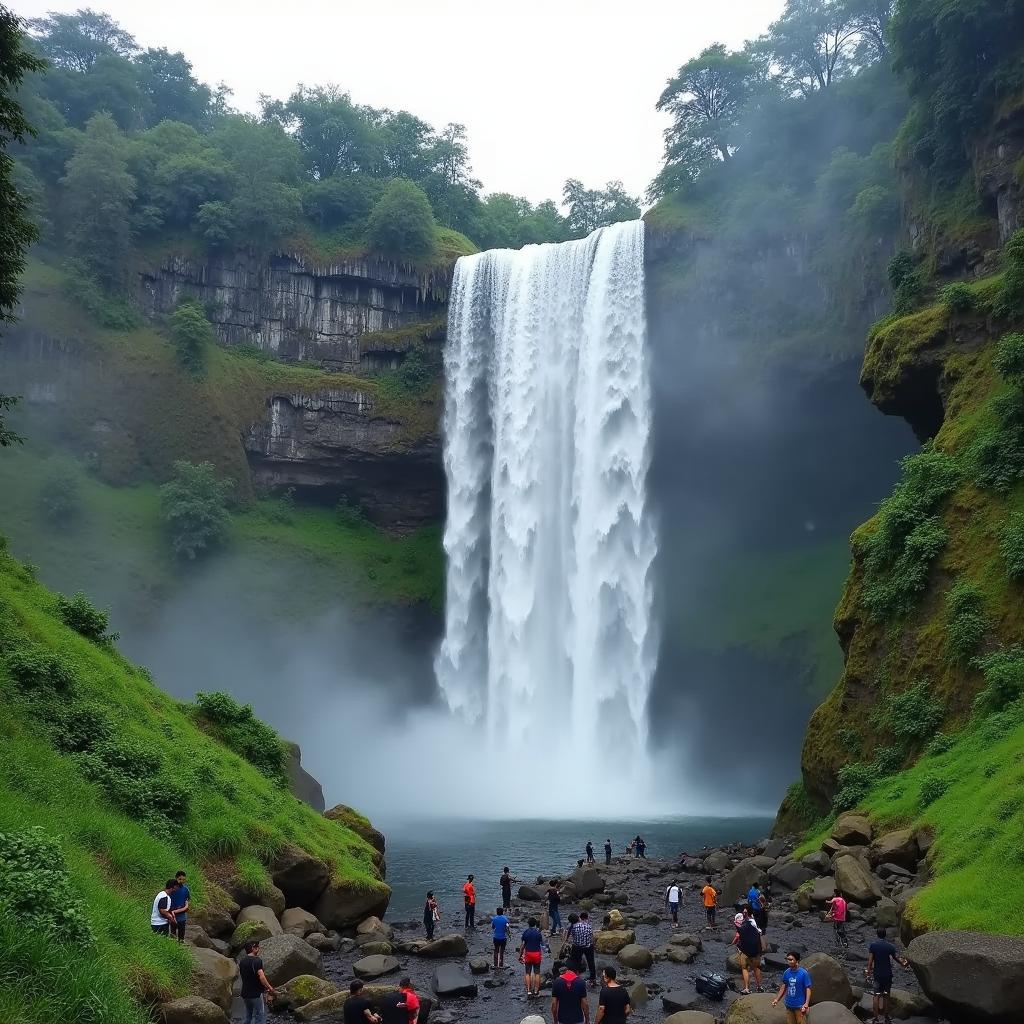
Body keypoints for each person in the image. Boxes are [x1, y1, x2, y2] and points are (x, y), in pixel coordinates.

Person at [865, 928, 910, 1024]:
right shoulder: (890, 947)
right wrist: (903, 964)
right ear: (885, 935)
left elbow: (870, 962)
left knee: (876, 996)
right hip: (888, 974)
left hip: (877, 974)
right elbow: (896, 959)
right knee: (886, 995)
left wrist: (868, 972)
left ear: (877, 934)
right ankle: (886, 1017)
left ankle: (875, 1018)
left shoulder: (873, 946)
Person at [240, 939, 275, 1024]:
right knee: (260, 1016)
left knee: (248, 1016)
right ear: (253, 948)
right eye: (257, 947)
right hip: (256, 994)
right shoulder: (257, 960)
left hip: (245, 993)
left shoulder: (242, 962)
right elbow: (261, 977)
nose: (259, 949)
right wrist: (270, 988)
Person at [772, 950, 812, 1024]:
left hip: (800, 1005)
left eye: (791, 959)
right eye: (787, 959)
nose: (789, 961)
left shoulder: (803, 973)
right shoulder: (786, 972)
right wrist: (777, 999)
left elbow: (808, 988)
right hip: (789, 1004)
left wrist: (806, 1003)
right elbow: (784, 986)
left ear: (797, 961)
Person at [732, 906, 764, 995]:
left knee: (745, 968)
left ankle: (746, 988)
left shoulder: (744, 924)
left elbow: (740, 934)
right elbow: (759, 933)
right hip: (755, 949)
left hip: (745, 950)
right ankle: (759, 987)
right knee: (756, 968)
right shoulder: (755, 922)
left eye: (744, 912)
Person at [568, 910, 597, 986]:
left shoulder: (573, 927)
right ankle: (593, 979)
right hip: (588, 946)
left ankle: (575, 977)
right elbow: (592, 937)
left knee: (575, 962)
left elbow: (572, 938)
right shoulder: (588, 925)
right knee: (591, 962)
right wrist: (593, 945)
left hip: (577, 947)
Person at [519, 916, 545, 999]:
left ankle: (529, 991)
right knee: (537, 972)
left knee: (528, 973)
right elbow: (542, 944)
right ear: (535, 924)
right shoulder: (538, 933)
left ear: (528, 924)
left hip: (528, 954)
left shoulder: (526, 932)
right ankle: (537, 991)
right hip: (537, 954)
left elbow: (523, 945)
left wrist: (520, 956)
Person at [168, 870, 190, 943]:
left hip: (182, 914)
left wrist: (186, 906)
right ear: (176, 878)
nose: (181, 881)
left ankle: (181, 942)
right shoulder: (172, 889)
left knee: (181, 930)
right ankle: (173, 945)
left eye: (183, 879)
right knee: (173, 931)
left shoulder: (185, 889)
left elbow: (187, 900)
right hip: (172, 913)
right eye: (180, 879)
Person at [492, 905, 510, 969]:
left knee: (496, 950)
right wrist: (509, 935)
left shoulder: (494, 919)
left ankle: (495, 964)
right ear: (502, 912)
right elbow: (507, 928)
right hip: (503, 937)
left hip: (496, 937)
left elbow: (493, 927)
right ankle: (501, 964)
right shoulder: (505, 919)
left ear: (497, 912)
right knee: (502, 951)